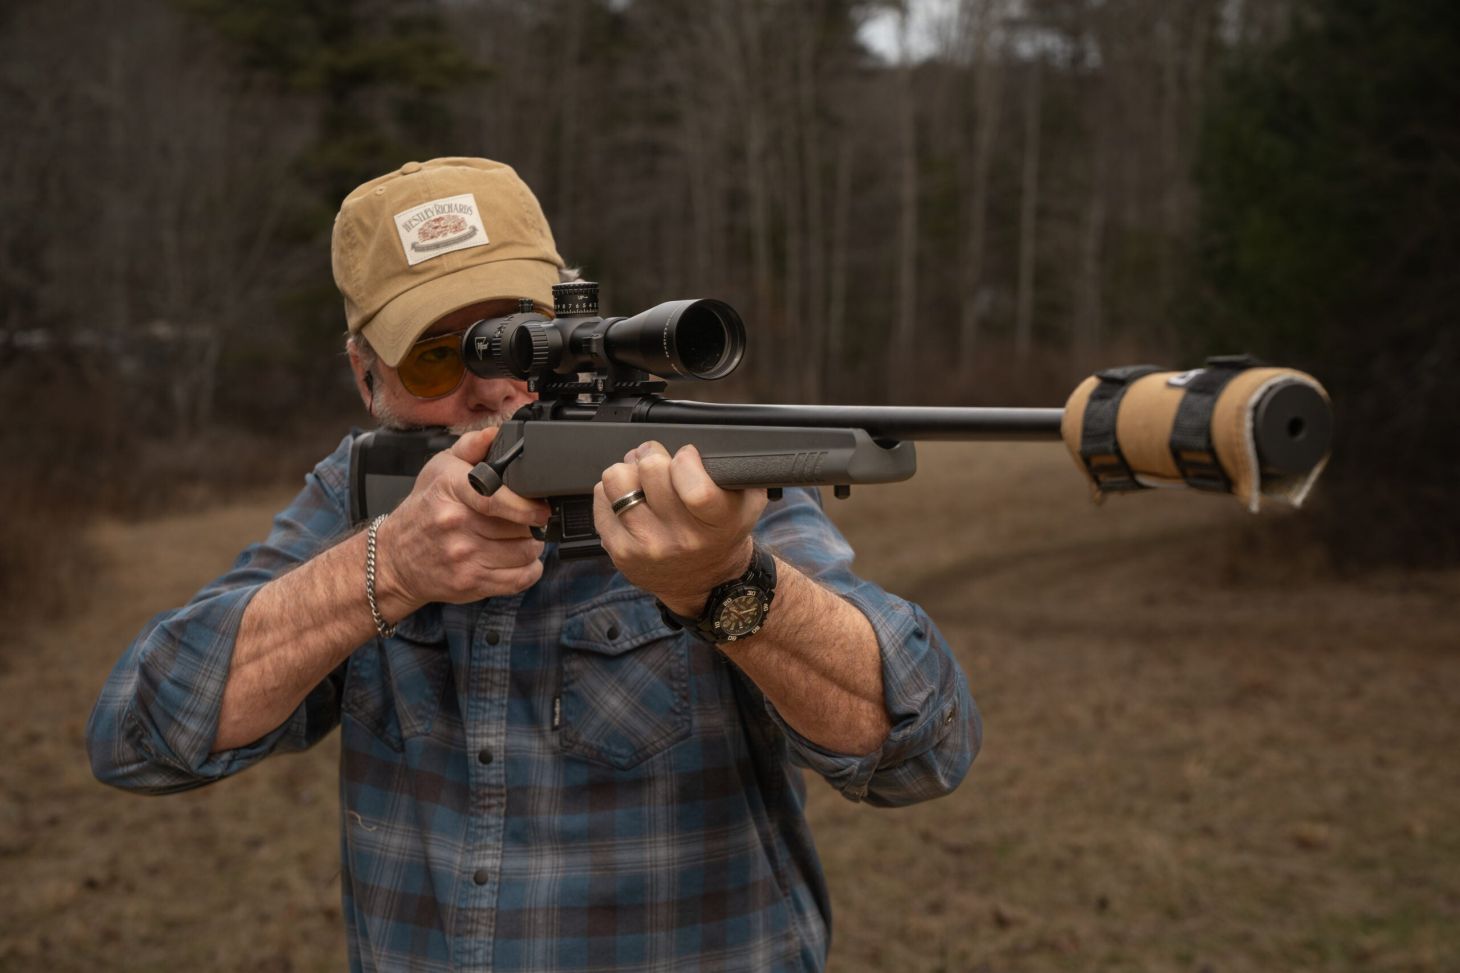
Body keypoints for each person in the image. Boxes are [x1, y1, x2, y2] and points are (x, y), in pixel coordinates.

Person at [87, 157, 980, 972]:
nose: (495, 383)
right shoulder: (361, 496)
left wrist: (725, 586)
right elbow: (144, 737)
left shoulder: (696, 483)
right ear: (368, 378)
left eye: (520, 331)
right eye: (439, 353)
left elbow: (922, 750)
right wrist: (387, 570)